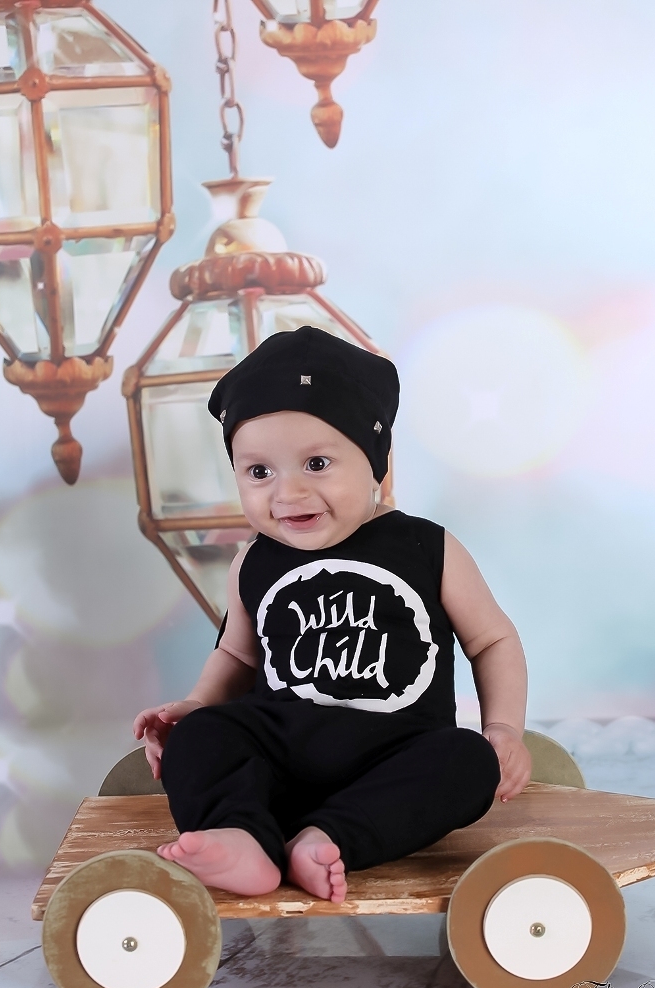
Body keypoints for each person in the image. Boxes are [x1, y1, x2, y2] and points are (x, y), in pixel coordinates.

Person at [133, 326, 532, 904]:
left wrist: (504, 729)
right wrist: (194, 706)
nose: (287, 493)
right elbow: (237, 655)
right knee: (200, 736)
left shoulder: (427, 547)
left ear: (375, 464)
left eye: (317, 463)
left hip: (393, 761)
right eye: (259, 472)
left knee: (468, 761)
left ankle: (327, 840)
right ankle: (242, 836)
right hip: (278, 761)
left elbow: (492, 641)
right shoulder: (253, 561)